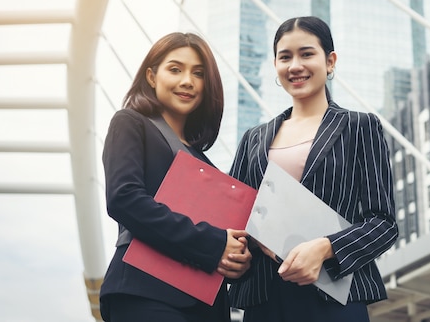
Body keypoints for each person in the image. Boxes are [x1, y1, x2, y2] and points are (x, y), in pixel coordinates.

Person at [228, 16, 398, 321]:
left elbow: (383, 224)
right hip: (264, 299)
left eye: (306, 54)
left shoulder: (359, 127)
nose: (295, 65)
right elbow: (233, 216)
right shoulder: (253, 139)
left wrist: (324, 248)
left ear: (330, 61)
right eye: (285, 56)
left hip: (334, 297)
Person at [99, 32, 252, 322]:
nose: (187, 81)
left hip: (204, 306)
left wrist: (238, 260)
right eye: (175, 69)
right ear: (151, 77)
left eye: (198, 73)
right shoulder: (131, 123)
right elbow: (124, 199)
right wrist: (215, 243)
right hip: (145, 293)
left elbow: (222, 241)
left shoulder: (206, 164)